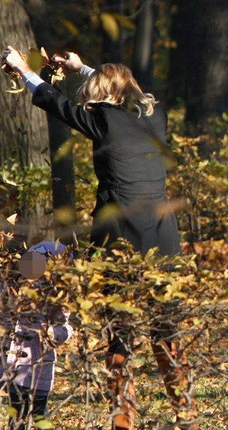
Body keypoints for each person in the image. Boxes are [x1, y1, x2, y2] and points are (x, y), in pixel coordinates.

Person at [2, 47, 197, 429]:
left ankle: (123, 420)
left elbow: (54, 102)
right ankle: (186, 412)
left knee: (119, 335)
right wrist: (81, 67)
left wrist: (24, 69)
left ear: (102, 95)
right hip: (164, 240)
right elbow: (132, 94)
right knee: (166, 330)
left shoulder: (103, 119)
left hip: (120, 242)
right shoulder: (155, 116)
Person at [1, 241, 73, 430]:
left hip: (40, 368)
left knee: (39, 415)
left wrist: (52, 333)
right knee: (17, 414)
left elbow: (64, 328)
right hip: (15, 369)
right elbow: (4, 322)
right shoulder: (13, 290)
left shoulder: (57, 298)